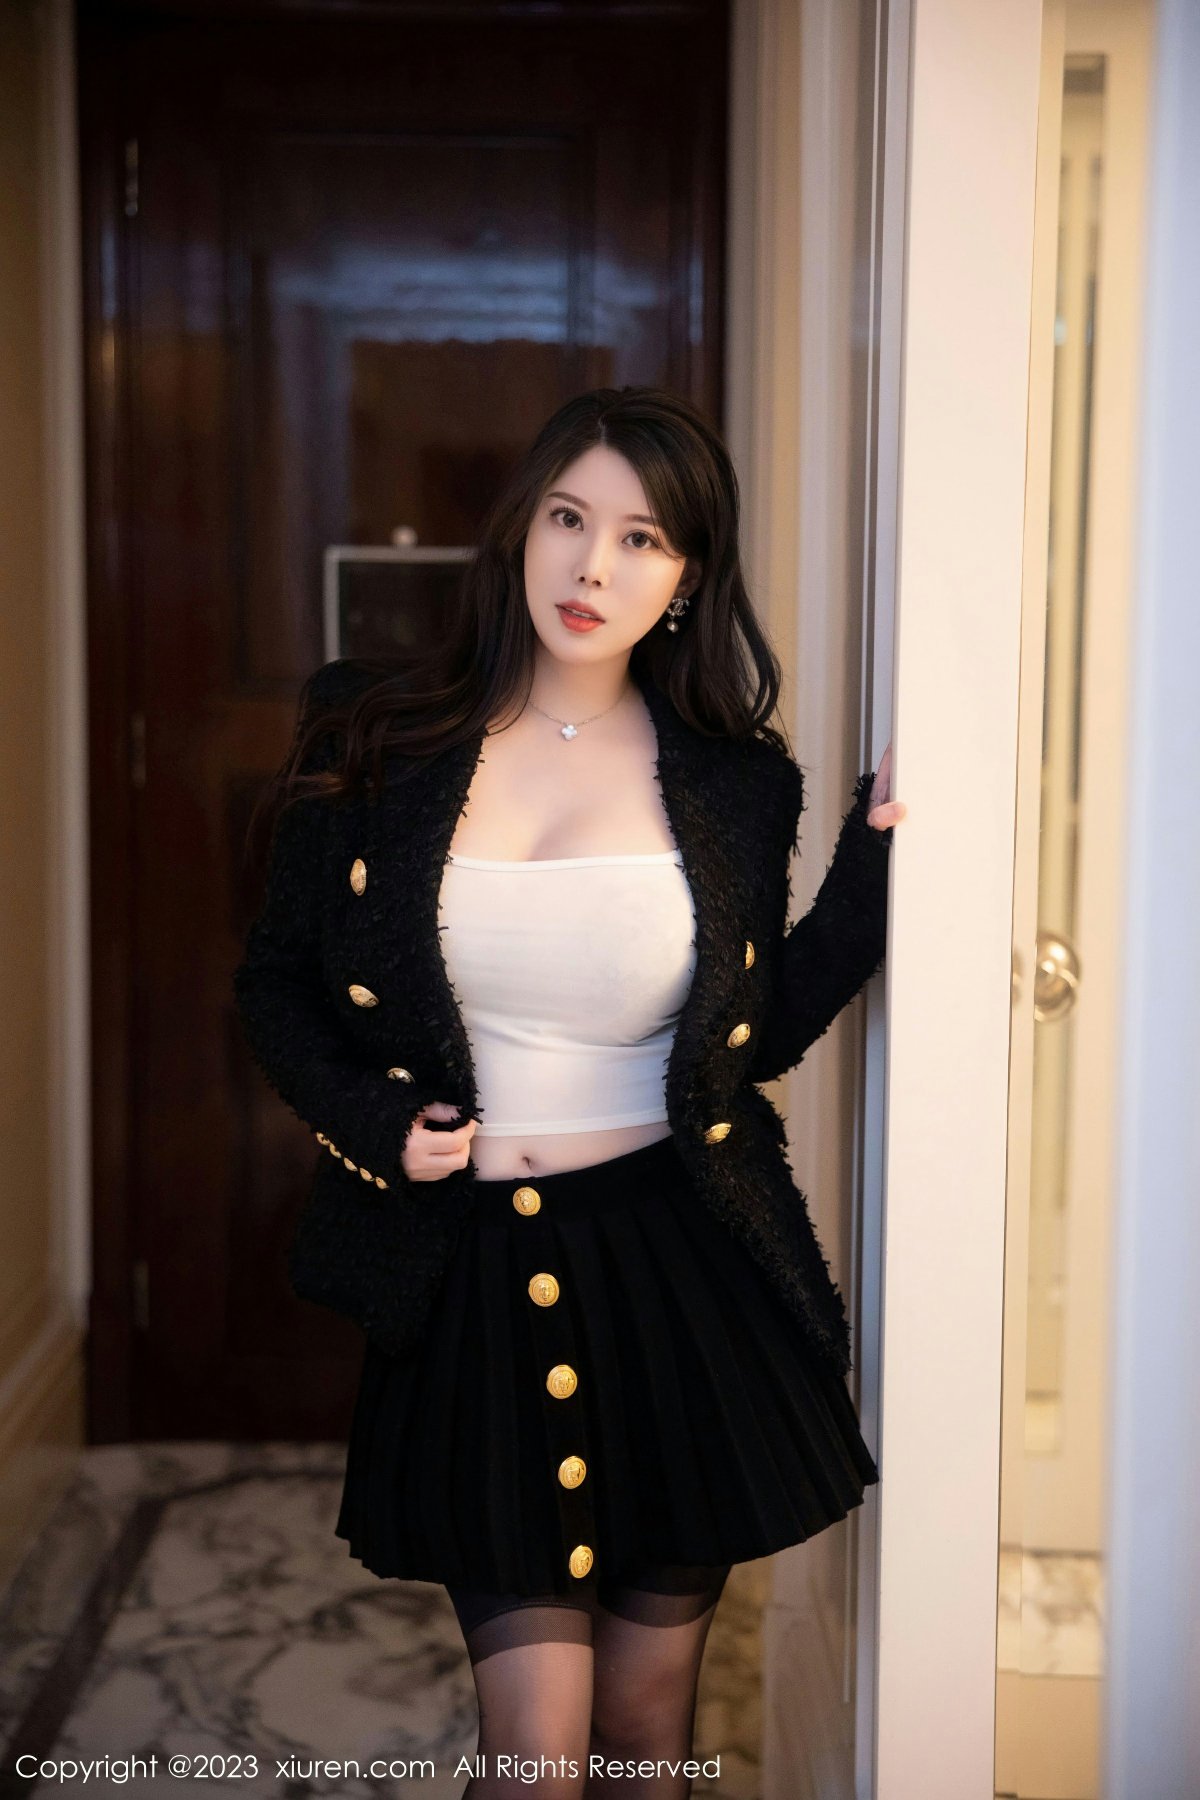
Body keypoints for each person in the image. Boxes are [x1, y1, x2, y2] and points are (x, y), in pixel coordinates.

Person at [233, 386, 906, 1799]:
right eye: (568, 518)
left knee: (648, 1738)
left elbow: (750, 1034)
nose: (594, 566)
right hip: (473, 1279)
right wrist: (375, 1127)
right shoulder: (373, 733)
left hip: (678, 1268)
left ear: (687, 578)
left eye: (643, 538)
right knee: (535, 1757)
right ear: (520, 531)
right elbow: (276, 988)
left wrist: (873, 862)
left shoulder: (737, 782)